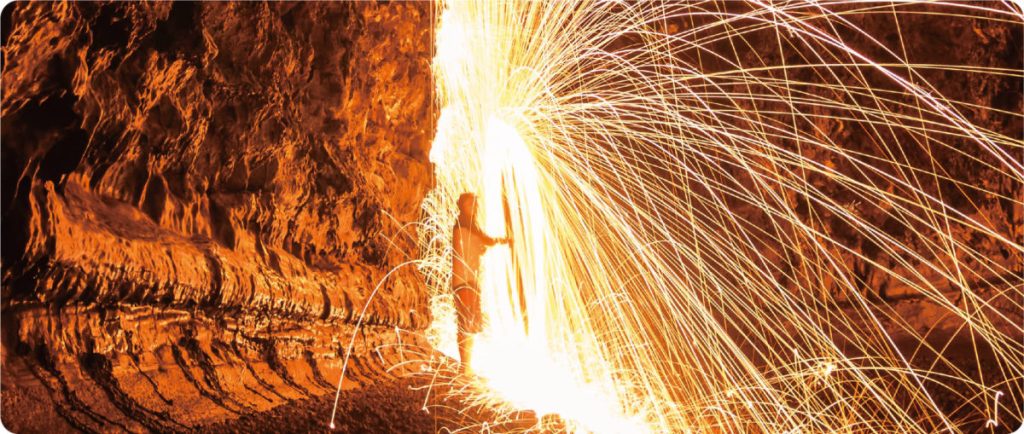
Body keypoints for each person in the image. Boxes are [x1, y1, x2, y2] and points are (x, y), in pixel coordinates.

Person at [451, 192, 509, 373]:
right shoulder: (464, 224)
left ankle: (467, 364)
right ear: (462, 206)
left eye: (475, 205)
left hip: (469, 280)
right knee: (465, 323)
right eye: (470, 204)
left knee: (469, 323)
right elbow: (486, 241)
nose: (473, 208)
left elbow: (474, 246)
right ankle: (464, 366)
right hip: (464, 280)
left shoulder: (467, 226)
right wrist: (502, 240)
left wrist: (479, 248)